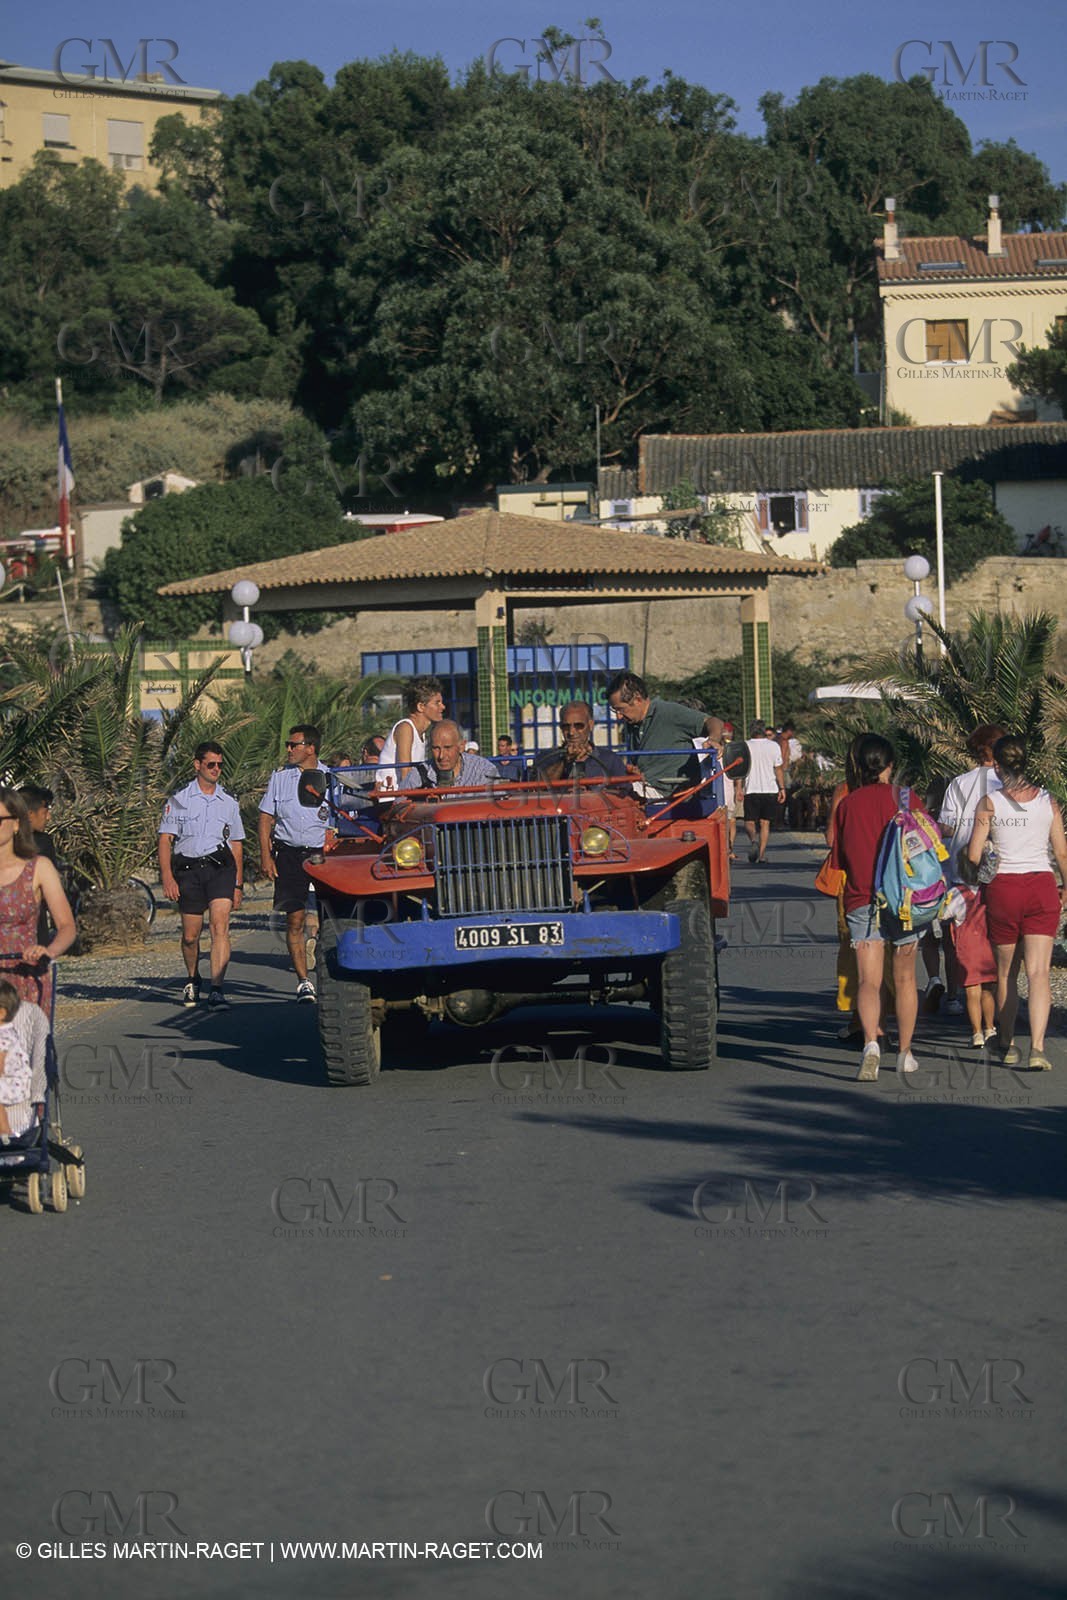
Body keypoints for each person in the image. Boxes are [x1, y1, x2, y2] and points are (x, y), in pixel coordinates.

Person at [829, 735, 931, 1081]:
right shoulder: (908, 799)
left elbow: (840, 858)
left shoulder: (848, 803)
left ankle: (870, 1044)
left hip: (862, 900)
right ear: (890, 765)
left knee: (868, 980)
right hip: (904, 902)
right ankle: (905, 1052)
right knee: (904, 979)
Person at [968, 735, 1067, 1071]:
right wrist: (1066, 884)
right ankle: (1038, 1048)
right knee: (1039, 973)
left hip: (1004, 888)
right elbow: (1062, 851)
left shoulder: (989, 803)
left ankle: (1007, 1042)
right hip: (1041, 885)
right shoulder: (1048, 802)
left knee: (1006, 973)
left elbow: (973, 854)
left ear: (997, 764)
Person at [158, 743, 245, 1009]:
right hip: (188, 871)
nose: (216, 769)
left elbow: (237, 843)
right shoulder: (179, 800)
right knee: (190, 936)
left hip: (220, 870)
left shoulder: (228, 802)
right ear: (197, 765)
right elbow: (165, 840)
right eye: (211, 764)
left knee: (220, 927)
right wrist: (167, 877)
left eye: (220, 764)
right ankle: (193, 977)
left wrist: (238, 884)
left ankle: (217, 988)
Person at [258, 726, 333, 1003]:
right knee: (295, 919)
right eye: (288, 745)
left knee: (330, 919)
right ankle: (303, 981)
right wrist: (266, 856)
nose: (288, 750)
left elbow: (341, 816)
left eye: (294, 745)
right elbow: (266, 817)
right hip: (289, 854)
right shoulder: (279, 778)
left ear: (310, 748)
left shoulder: (330, 777)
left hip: (322, 855)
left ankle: (330, 975)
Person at [938, 723, 1005, 1034]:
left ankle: (956, 995)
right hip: (1000, 874)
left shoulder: (959, 783)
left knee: (960, 942)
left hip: (962, 874)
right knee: (997, 942)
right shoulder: (1010, 783)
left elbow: (947, 828)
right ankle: (997, 1012)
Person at [0, 788, 77, 1020]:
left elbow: (66, 926)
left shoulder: (38, 868)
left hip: (26, 978)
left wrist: (49, 951)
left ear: (16, 824)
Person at [606, 671, 719, 803]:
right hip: (647, 789)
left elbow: (712, 721)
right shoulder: (633, 724)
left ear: (637, 699)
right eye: (615, 711)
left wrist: (714, 739)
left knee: (611, 798)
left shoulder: (667, 712)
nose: (619, 716)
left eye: (621, 709)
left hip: (671, 794)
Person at [533, 702, 631, 790]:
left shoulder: (610, 759)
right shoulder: (545, 757)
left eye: (578, 726)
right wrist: (564, 760)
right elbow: (536, 789)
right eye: (566, 726)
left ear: (591, 725)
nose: (571, 732)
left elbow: (624, 793)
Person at [0, 978, 49, 1142]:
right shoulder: (9, 1030)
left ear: (1, 1013)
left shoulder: (3, 1037)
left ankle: (5, 1132)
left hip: (14, 1085)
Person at [377, 676, 446, 791]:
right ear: (421, 706)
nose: (443, 707)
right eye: (437, 703)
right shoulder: (406, 728)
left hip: (405, 796)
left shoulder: (422, 734)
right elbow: (406, 774)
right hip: (390, 798)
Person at [399, 721, 501, 793]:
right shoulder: (417, 774)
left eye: (447, 748)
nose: (441, 756)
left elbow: (498, 808)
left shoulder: (483, 770)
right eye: (436, 748)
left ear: (461, 746)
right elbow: (399, 807)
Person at [18, 785, 58, 945]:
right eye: (44, 812)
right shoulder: (42, 843)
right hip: (34, 930)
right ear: (29, 815)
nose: (48, 818)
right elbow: (51, 890)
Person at [742, 721, 786, 864]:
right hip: (770, 788)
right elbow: (778, 769)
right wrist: (782, 788)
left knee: (749, 821)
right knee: (765, 823)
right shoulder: (773, 746)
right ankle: (761, 855)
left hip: (751, 788)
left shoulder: (744, 746)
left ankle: (753, 840)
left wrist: (738, 788)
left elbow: (740, 769)